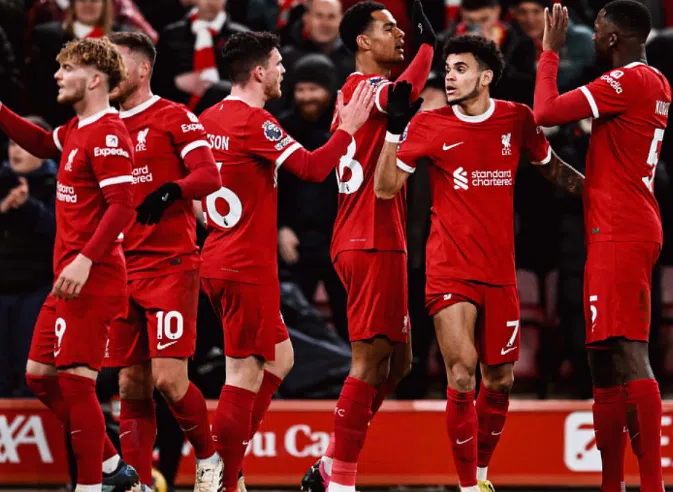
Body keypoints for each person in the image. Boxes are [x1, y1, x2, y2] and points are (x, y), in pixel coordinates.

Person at [373, 34, 583, 492]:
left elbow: (552, 169)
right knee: (462, 371)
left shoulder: (517, 118)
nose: (449, 77)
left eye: (460, 69)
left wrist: (601, 193)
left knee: (500, 380)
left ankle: (482, 474)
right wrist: (393, 130)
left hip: (499, 272)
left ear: (486, 77)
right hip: (449, 266)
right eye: (447, 69)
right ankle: (468, 485)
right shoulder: (429, 125)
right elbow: (385, 188)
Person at [197, 30, 374, 491]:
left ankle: (229, 463)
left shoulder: (208, 117)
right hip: (244, 268)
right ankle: (222, 479)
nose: (283, 71)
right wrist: (348, 128)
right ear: (259, 72)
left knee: (281, 358)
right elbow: (314, 169)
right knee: (242, 374)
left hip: (218, 257)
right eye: (277, 64)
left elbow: (194, 192)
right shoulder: (256, 123)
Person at [534, 2, 670, 491]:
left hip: (621, 232)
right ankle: (612, 484)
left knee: (629, 353)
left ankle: (652, 485)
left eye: (597, 31)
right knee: (602, 359)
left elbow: (546, 111)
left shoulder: (628, 80)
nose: (591, 38)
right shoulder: (654, 82)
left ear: (613, 38)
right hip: (616, 226)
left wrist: (549, 53)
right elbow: (614, 163)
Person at [301, 2, 436, 491]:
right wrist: (428, 47)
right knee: (368, 361)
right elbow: (403, 93)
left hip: (382, 238)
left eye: (401, 29)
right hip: (367, 237)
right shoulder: (365, 87)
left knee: (398, 364)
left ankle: (330, 462)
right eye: (388, 28)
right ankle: (340, 480)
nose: (399, 35)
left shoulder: (357, 91)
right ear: (362, 41)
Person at [0, 37, 139, 491]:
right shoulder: (78, 127)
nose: (57, 75)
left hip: (92, 277)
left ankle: (91, 485)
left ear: (95, 79)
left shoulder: (109, 133)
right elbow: (43, 142)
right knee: (39, 377)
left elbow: (123, 207)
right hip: (68, 279)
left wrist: (84, 260)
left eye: (67, 68)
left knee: (78, 384)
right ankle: (112, 467)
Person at [105, 32, 223, 492]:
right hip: (120, 268)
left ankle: (210, 458)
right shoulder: (101, 126)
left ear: (142, 68)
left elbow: (209, 175)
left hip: (170, 265)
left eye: (116, 63)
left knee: (170, 380)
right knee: (130, 385)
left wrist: (175, 189)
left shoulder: (174, 116)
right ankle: (137, 482)